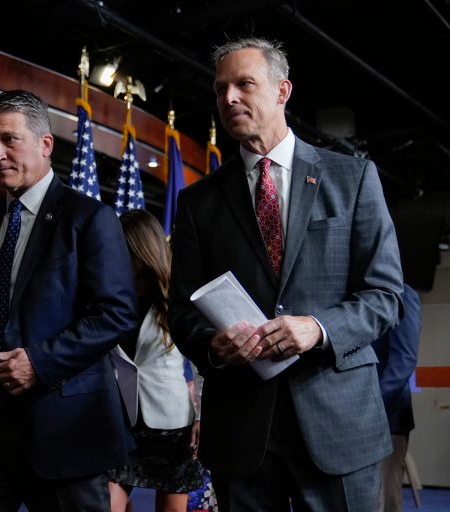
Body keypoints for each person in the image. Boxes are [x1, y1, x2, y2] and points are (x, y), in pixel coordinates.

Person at [168, 37, 403, 511]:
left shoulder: (352, 178)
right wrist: (212, 346)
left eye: (244, 84)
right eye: (220, 89)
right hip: (242, 428)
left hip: (338, 422)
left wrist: (317, 329)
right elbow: (181, 309)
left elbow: (384, 296)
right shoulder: (199, 201)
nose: (228, 97)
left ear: (282, 91)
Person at [0, 90, 138, 511]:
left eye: (9, 140)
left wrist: (40, 362)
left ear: (45, 144)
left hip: (66, 429)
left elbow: (116, 314)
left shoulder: (90, 219)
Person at [109, 208, 204, 512]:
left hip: (171, 424)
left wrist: (203, 414)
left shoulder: (177, 296)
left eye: (123, 247)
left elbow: (204, 359)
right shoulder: (110, 296)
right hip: (120, 420)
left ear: (142, 248)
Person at [371, 283, 421, 512]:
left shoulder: (401, 293)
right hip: (344, 416)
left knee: (384, 500)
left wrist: (370, 407)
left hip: (385, 416)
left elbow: (404, 362)